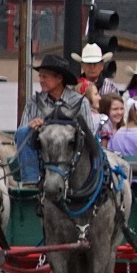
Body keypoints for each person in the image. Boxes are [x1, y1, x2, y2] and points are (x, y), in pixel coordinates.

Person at [15, 55, 94, 184]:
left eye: (44, 76)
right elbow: (19, 137)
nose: (40, 80)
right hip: (42, 159)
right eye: (40, 76)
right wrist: (31, 127)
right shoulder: (33, 102)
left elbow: (90, 136)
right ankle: (30, 183)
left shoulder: (80, 103)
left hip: (71, 163)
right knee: (23, 132)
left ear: (59, 78)